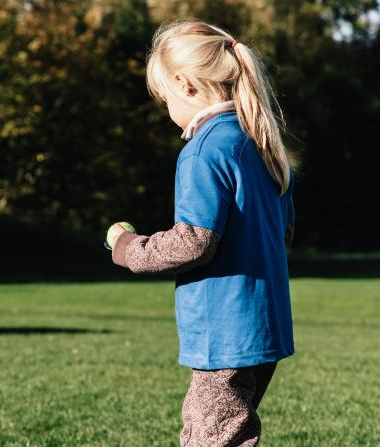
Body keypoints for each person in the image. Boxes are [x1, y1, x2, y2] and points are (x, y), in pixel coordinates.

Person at [106, 20, 296, 446]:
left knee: (211, 439)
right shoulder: (259, 142)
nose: (168, 111)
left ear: (184, 84)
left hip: (223, 332)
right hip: (262, 327)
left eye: (165, 99)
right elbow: (283, 232)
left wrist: (128, 247)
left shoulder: (204, 149)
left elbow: (194, 241)